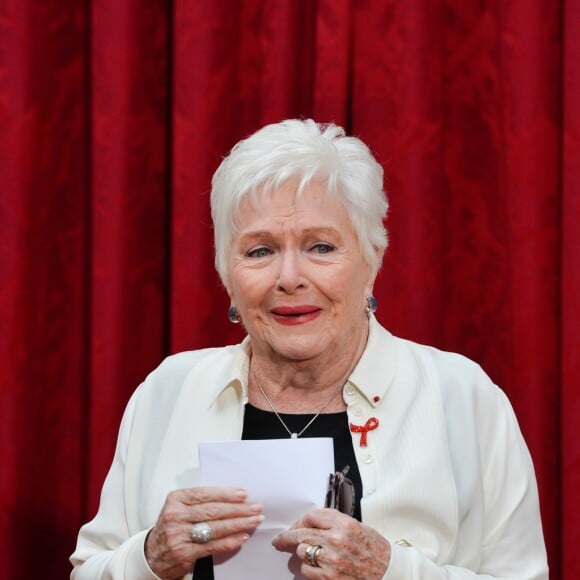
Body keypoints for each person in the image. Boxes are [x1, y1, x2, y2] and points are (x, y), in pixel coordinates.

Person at [70, 119, 549, 579]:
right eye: (260, 251)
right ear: (227, 276)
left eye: (320, 246)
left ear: (372, 259)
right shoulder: (167, 392)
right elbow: (89, 571)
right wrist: (151, 558)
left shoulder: (462, 397)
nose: (289, 278)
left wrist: (390, 573)